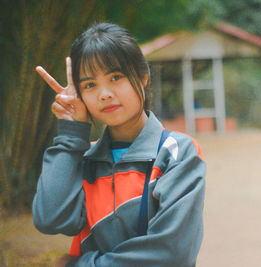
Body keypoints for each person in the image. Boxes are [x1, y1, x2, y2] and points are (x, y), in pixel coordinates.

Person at [32, 22, 206, 267]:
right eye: (90, 85)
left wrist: (81, 265)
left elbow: (172, 253)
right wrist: (71, 134)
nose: (104, 93)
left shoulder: (176, 152)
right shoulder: (84, 158)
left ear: (142, 77)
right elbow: (51, 220)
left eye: (116, 77)